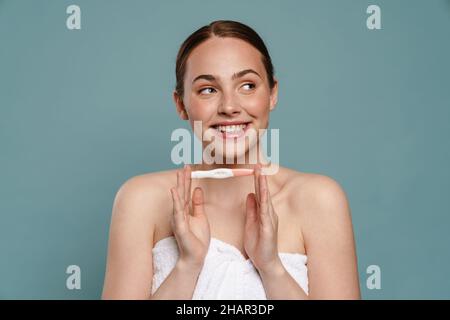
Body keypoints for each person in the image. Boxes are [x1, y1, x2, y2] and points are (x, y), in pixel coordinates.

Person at [102, 20, 360, 300]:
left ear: (272, 94)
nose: (229, 107)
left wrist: (272, 268)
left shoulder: (319, 200)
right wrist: (187, 266)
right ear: (181, 104)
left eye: (247, 85)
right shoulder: (141, 200)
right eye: (208, 90)